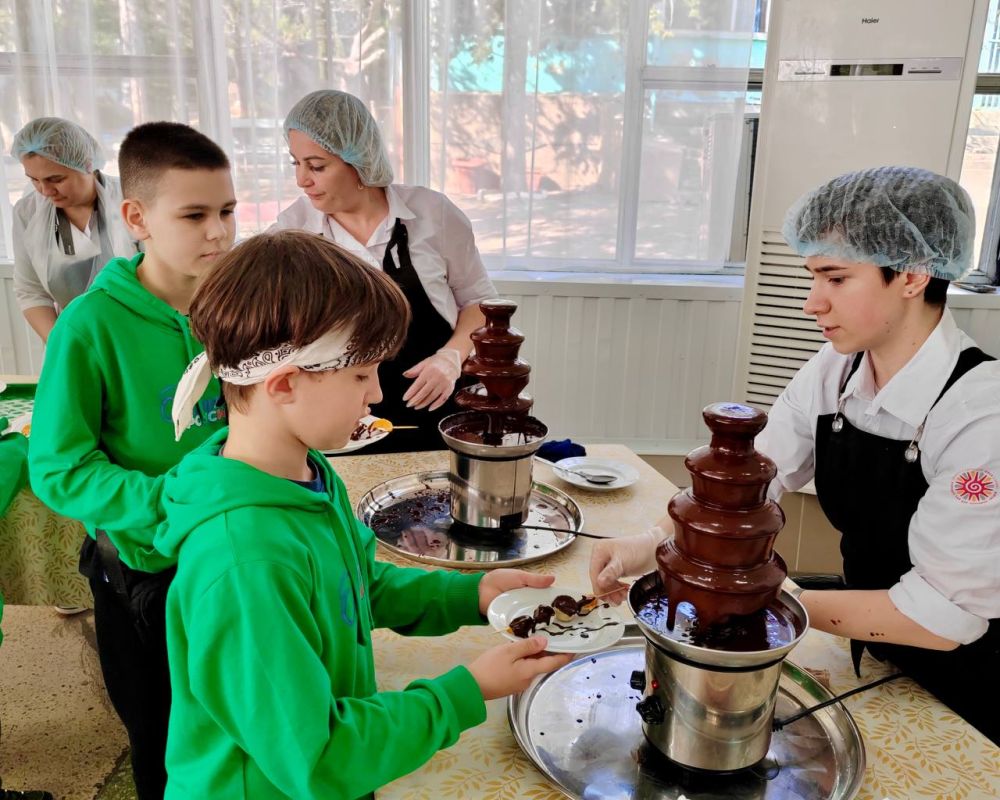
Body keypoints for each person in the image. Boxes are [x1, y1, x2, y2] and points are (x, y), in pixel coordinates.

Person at [591, 166, 1000, 745]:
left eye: (836, 278)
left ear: (913, 274)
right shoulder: (838, 369)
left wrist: (763, 600)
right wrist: (653, 546)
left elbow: (941, 617)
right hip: (877, 653)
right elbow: (747, 480)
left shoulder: (981, 414)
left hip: (967, 685)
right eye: (814, 277)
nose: (812, 304)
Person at [157, 230, 570, 798]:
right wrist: (466, 691)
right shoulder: (245, 562)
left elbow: (353, 587)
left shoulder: (304, 476)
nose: (376, 394)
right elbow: (320, 758)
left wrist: (470, 596)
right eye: (360, 374)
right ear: (284, 384)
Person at [28, 122, 235, 798]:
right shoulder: (90, 325)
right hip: (143, 576)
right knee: (164, 739)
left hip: (234, 555)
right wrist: (168, 500)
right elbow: (58, 468)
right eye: (195, 215)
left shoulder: (239, 307)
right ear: (137, 218)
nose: (219, 233)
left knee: (235, 723)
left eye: (228, 211)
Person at [271, 90, 497, 452]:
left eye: (316, 166)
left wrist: (451, 358)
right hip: (343, 423)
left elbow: (480, 302)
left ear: (358, 159)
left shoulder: (432, 213)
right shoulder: (292, 232)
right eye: (295, 163)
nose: (301, 180)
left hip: (440, 409)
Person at [10, 117, 137, 342]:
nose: (45, 191)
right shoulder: (27, 213)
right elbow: (31, 291)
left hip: (140, 330)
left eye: (56, 179)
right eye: (34, 180)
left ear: (87, 165)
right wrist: (62, 344)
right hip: (74, 335)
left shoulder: (132, 200)